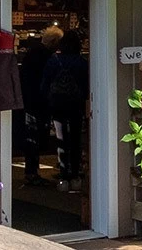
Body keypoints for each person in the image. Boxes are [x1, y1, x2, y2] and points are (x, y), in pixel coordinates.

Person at [41, 31, 89, 192]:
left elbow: (45, 84)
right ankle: (75, 176)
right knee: (75, 139)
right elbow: (86, 85)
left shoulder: (53, 61)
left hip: (58, 103)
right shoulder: (82, 62)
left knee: (61, 139)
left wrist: (46, 100)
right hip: (76, 104)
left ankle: (63, 177)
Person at [19, 31, 58, 186]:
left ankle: (31, 171)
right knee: (35, 137)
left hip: (29, 100)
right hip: (38, 101)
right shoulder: (46, 56)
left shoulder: (32, 53)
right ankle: (32, 172)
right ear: (54, 42)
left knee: (32, 136)